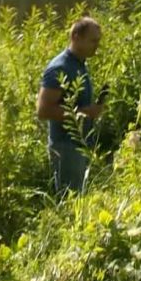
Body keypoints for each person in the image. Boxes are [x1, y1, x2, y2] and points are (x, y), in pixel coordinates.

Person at [36, 17, 105, 194]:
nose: (97, 45)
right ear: (76, 37)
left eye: (98, 41)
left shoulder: (79, 64)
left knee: (77, 200)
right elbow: (43, 110)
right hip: (65, 148)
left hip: (78, 145)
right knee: (69, 201)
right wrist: (85, 112)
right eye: (93, 40)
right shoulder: (60, 67)